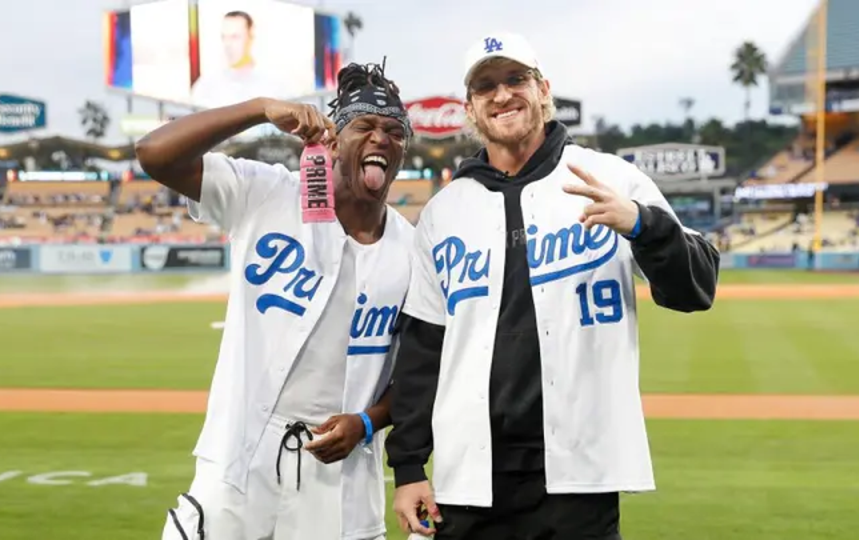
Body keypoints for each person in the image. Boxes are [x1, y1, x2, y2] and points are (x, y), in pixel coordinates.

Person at [386, 32, 720, 539]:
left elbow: (696, 287)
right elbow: (423, 348)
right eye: (486, 86)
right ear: (471, 109)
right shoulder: (444, 212)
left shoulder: (609, 178)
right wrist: (408, 466)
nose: (502, 95)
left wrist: (642, 225)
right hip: (470, 478)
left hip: (579, 479)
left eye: (516, 79)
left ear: (543, 89)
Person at [136, 60, 415, 540]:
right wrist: (260, 108)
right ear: (332, 140)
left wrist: (369, 422)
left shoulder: (413, 251)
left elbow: (418, 369)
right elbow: (154, 153)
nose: (380, 139)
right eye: (364, 126)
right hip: (238, 468)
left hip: (341, 481)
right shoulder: (265, 193)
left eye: (394, 131)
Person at [191, 10, 297, 108]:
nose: (228, 44)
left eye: (235, 37)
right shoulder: (207, 85)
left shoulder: (274, 84)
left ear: (250, 37)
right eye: (224, 37)